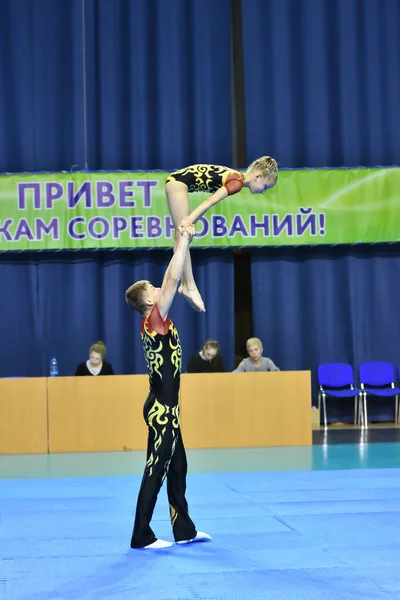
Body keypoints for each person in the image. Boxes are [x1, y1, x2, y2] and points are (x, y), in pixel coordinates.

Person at [125, 222, 211, 550]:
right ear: (148, 301)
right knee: (156, 470)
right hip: (162, 410)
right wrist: (184, 241)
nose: (160, 290)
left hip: (166, 408)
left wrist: (180, 241)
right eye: (154, 289)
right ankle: (141, 534)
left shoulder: (157, 319)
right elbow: (173, 279)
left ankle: (184, 530)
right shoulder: (154, 320)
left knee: (178, 467)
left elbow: (171, 279)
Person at [166, 156, 278, 313]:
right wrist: (189, 221)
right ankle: (188, 285)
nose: (263, 191)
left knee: (181, 236)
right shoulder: (236, 182)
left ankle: (187, 284)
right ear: (258, 176)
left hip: (179, 181)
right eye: (265, 186)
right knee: (183, 234)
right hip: (178, 183)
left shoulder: (236, 177)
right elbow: (209, 202)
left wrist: (188, 222)